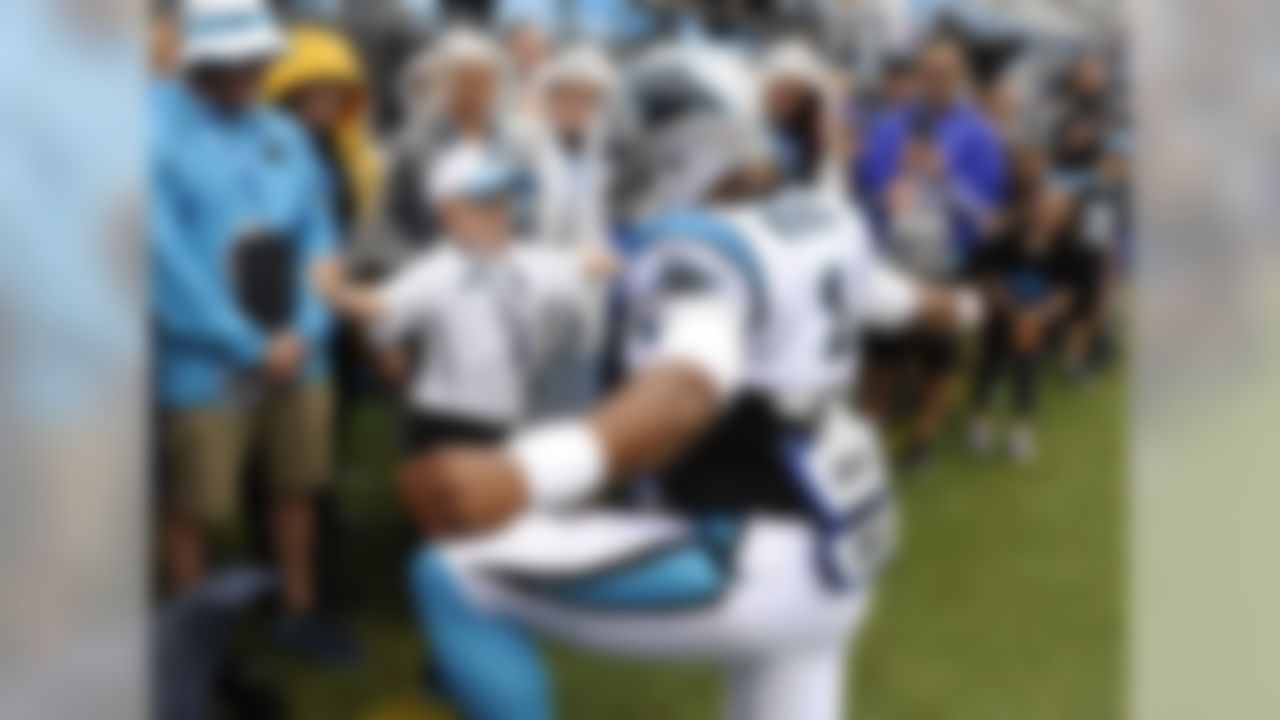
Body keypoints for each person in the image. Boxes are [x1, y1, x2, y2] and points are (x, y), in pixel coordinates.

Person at [395, 45, 981, 720]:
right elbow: (910, 303)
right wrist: (972, 307)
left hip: (750, 553)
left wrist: (525, 471)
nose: (632, 161)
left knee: (453, 574)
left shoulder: (698, 248)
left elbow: (689, 387)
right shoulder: (826, 219)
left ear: (685, 146)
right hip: (843, 548)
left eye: (643, 143)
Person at [151, 0, 354, 663]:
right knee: (195, 504)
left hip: (300, 353)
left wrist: (309, 326)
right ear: (201, 58)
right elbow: (163, 259)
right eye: (234, 59)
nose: (250, 70)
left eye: (258, 58)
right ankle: (197, 636)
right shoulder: (148, 130)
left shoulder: (284, 133)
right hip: (205, 360)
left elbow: (319, 231)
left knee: (295, 486)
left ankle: (298, 609)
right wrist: (245, 344)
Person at [314, 143, 615, 455]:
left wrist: (599, 257)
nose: (500, 212)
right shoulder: (440, 269)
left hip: (506, 416)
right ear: (450, 212)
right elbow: (382, 305)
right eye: (484, 203)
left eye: (505, 200)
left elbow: (583, 264)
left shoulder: (525, 261)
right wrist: (338, 293)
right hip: (447, 419)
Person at [968, 187, 1087, 463]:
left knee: (1026, 369)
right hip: (1001, 313)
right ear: (1032, 209)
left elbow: (1069, 292)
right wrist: (1007, 307)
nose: (1047, 214)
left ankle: (1021, 429)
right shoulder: (1008, 239)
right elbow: (989, 273)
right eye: (1042, 207)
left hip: (1038, 319)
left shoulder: (1070, 249)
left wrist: (1038, 315)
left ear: (1066, 217)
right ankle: (981, 420)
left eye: (1055, 211)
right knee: (990, 365)